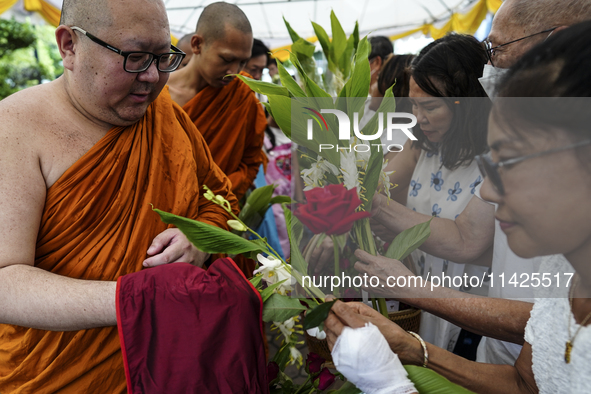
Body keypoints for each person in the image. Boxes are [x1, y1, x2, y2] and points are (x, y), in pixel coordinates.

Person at [325, 20, 591, 393]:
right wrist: (408, 346)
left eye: (512, 163)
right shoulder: (562, 269)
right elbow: (526, 382)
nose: (492, 196)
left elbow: (467, 240)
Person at [0, 0, 247, 391]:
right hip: (55, 373)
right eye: (134, 56)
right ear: (69, 46)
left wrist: (199, 237)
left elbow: (219, 198)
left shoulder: (166, 116)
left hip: (171, 363)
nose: (151, 76)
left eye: (163, 58)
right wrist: (136, 299)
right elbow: (4, 281)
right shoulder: (14, 128)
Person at [167, 2, 267, 203]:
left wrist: (215, 197)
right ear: (197, 45)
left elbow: (251, 162)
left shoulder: (243, 93)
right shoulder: (160, 96)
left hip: (217, 213)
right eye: (226, 59)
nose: (234, 72)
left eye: (241, 62)